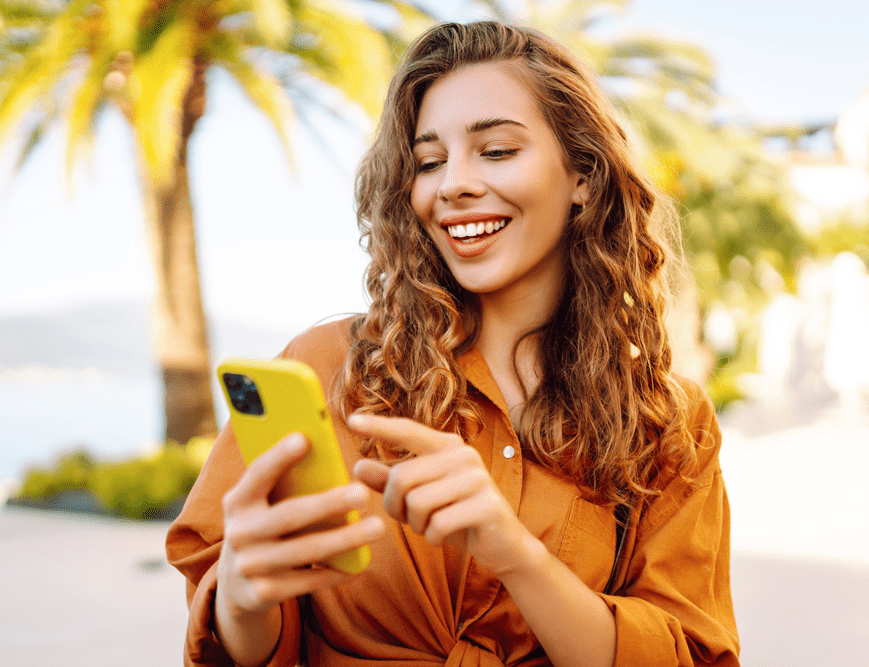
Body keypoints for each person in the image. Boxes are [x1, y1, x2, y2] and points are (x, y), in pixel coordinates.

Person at [167, 20, 739, 667]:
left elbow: (688, 653)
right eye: (429, 161)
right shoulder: (327, 367)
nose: (452, 184)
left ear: (582, 175)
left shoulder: (667, 423)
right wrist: (242, 600)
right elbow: (233, 647)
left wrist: (515, 553)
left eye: (496, 151)